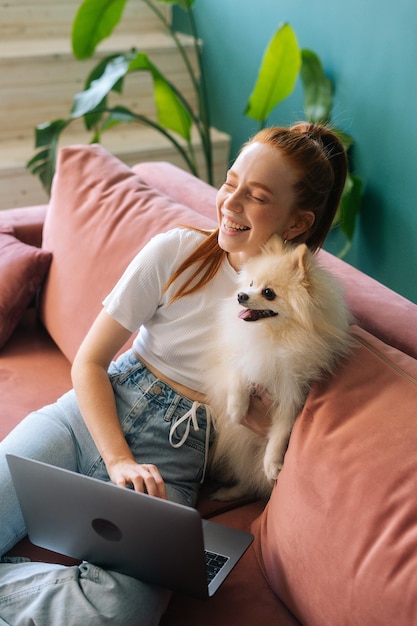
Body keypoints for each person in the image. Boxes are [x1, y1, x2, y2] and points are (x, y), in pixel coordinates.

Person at [0, 122, 347, 626]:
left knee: (124, 611)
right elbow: (89, 362)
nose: (230, 203)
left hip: (173, 460)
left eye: (256, 197)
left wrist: (262, 421)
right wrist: (118, 459)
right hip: (87, 415)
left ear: (297, 223)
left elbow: (278, 427)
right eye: (230, 183)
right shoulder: (175, 252)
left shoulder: (300, 305)